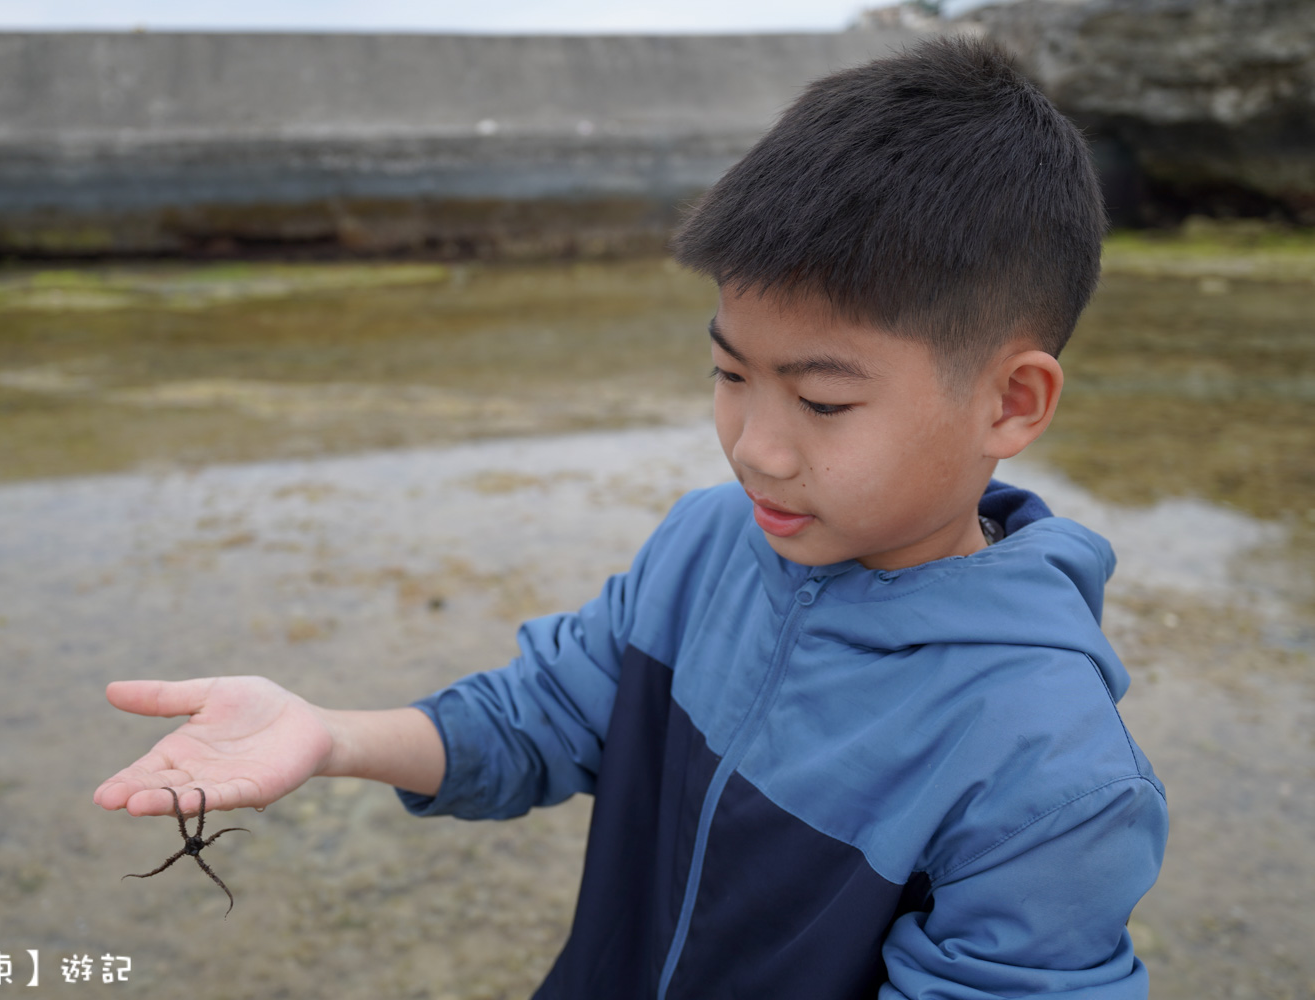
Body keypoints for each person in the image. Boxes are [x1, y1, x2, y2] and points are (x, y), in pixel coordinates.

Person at [95, 36, 1168, 998]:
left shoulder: (1049, 774)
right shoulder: (709, 546)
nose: (757, 444)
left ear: (1012, 402)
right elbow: (538, 720)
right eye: (728, 371)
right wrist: (329, 735)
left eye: (824, 401)